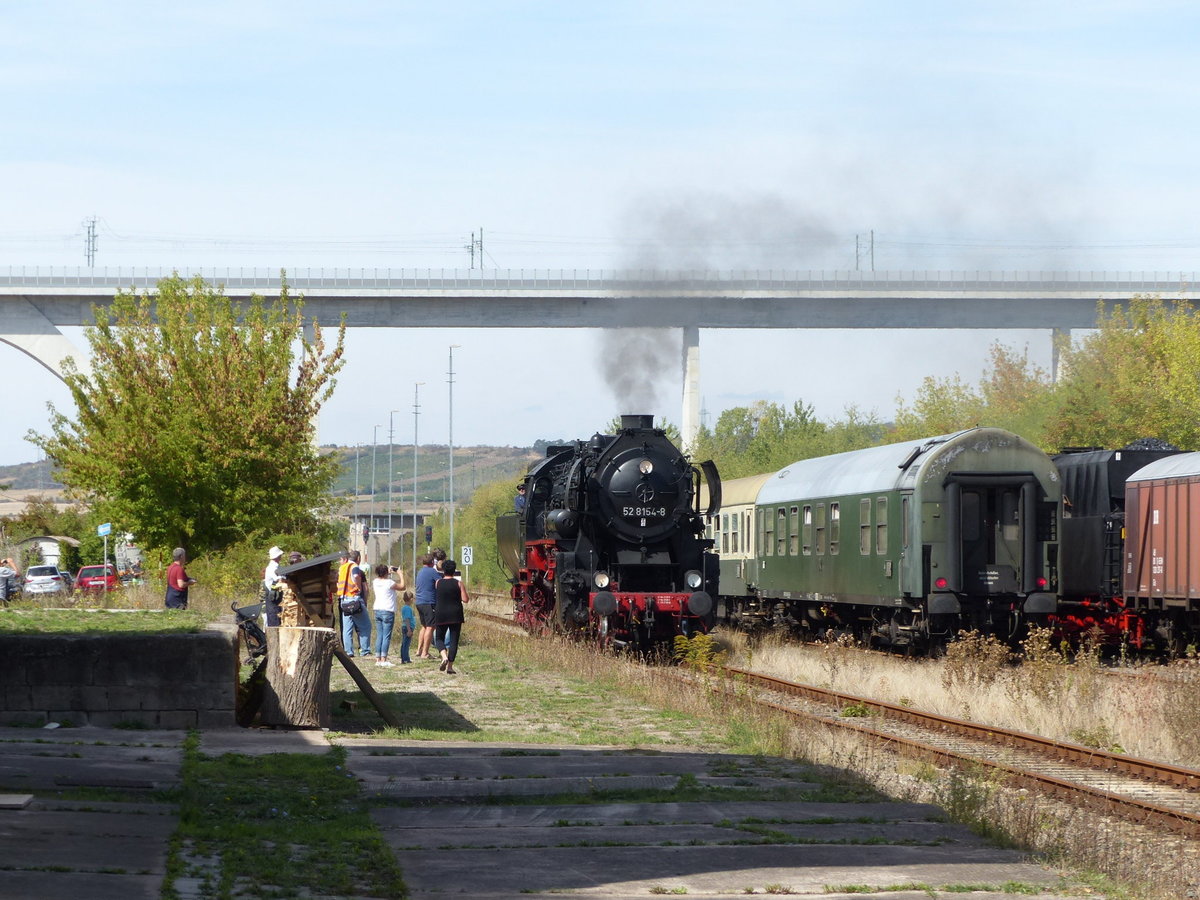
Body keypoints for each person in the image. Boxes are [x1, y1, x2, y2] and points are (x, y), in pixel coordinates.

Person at [433, 559, 470, 674]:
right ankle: (450, 667)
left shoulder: (438, 583)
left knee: (439, 638)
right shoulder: (458, 583)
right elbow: (465, 599)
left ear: (443, 571)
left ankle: (444, 656)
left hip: (441, 614)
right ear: (454, 571)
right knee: (454, 641)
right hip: (455, 615)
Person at [336, 550, 371, 657]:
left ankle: (348, 651)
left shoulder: (342, 568)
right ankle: (365, 650)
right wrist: (358, 587)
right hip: (354, 598)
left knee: (347, 628)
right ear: (358, 558)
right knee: (365, 626)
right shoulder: (354, 566)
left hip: (343, 600)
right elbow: (356, 576)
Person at [371, 563, 407, 666]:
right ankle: (384, 659)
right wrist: (400, 574)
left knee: (380, 635)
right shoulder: (389, 582)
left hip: (377, 609)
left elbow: (383, 579)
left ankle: (378, 659)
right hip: (387, 610)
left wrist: (388, 572)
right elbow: (403, 587)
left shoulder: (375, 581)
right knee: (386, 636)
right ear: (386, 572)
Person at [278, 551, 316, 627]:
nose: (294, 561)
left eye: (295, 559)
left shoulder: (304, 569)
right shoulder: (287, 570)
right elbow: (283, 580)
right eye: (292, 559)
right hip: (291, 600)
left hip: (303, 596)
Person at [262, 545, 285, 627]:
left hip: (277, 597)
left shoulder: (277, 566)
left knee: (278, 618)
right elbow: (278, 579)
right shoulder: (271, 567)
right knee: (274, 619)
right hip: (273, 597)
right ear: (278, 556)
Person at [399, 590, 416, 663]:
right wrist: (409, 630)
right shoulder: (408, 608)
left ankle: (405, 658)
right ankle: (405, 658)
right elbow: (407, 619)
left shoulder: (404, 608)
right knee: (406, 644)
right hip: (407, 628)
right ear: (411, 599)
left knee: (405, 643)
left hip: (405, 627)